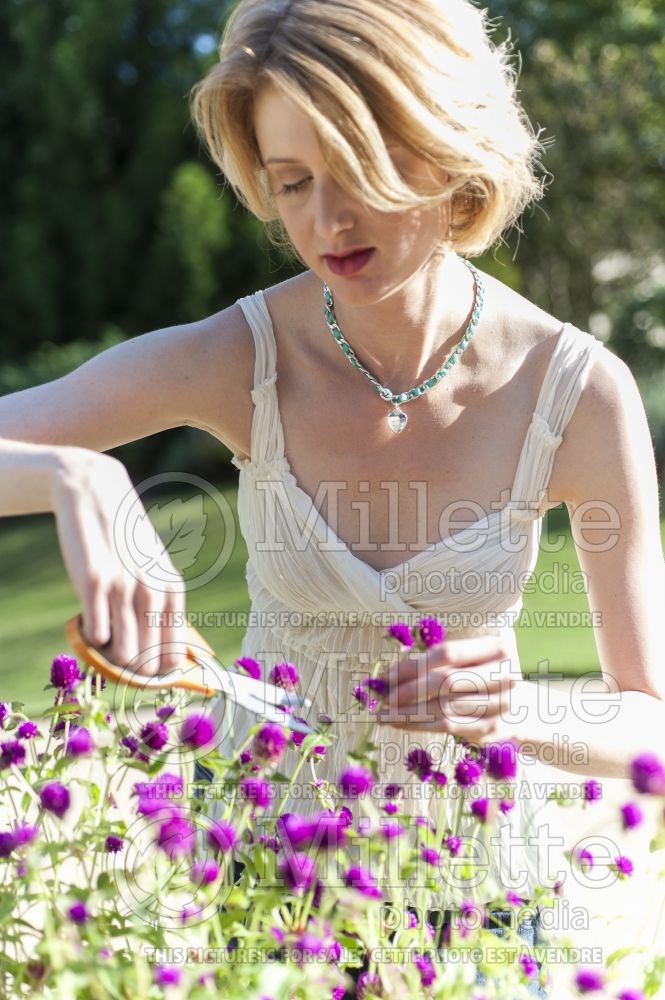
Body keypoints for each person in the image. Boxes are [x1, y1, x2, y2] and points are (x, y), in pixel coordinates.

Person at [1, 0, 663, 996]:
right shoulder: (241, 356)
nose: (324, 223)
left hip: (483, 901)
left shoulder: (574, 392)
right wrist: (69, 471)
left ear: (447, 148)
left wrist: (517, 708)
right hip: (265, 891)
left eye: (356, 173)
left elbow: (648, 720)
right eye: (292, 183)